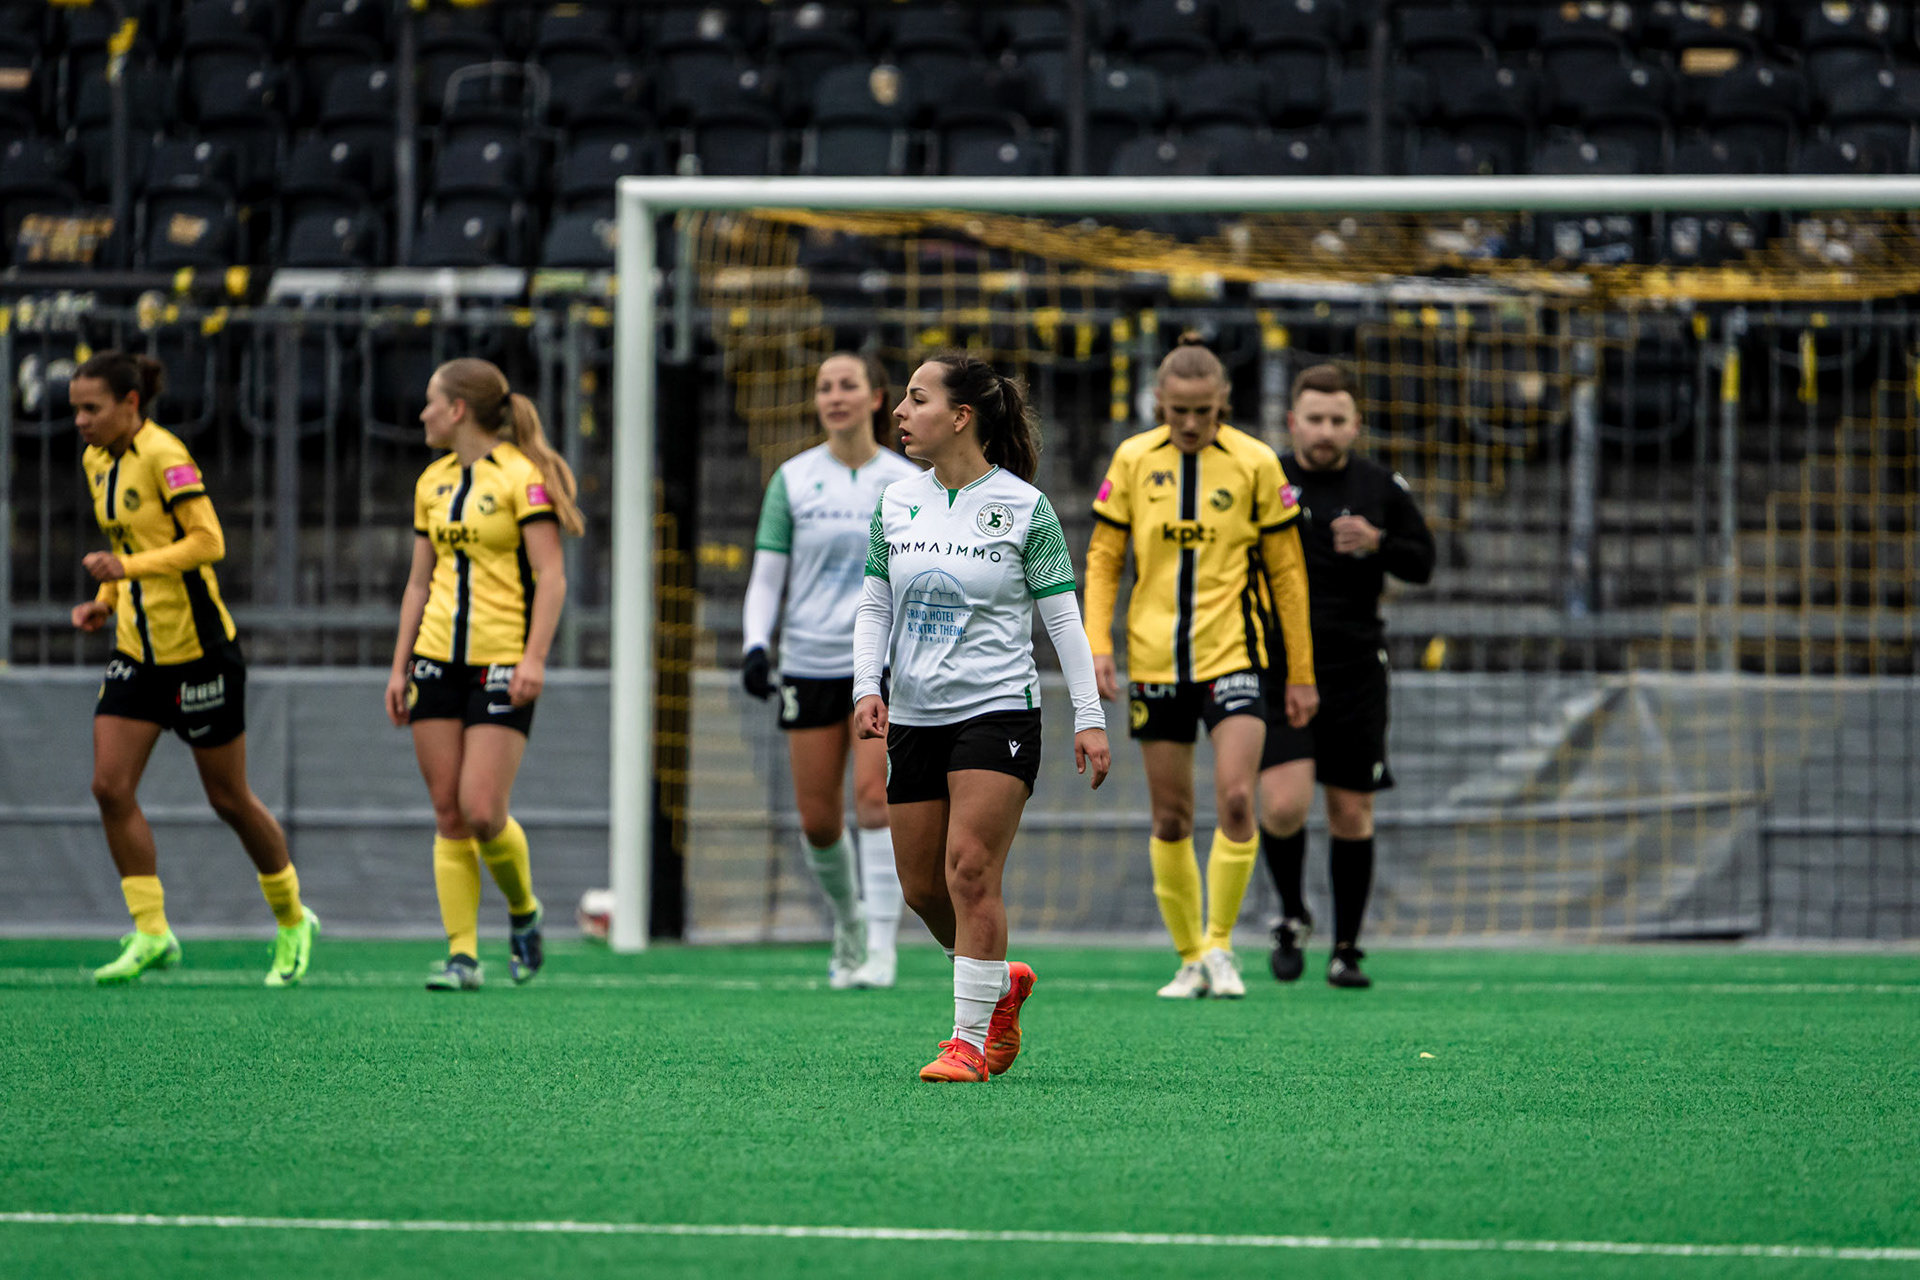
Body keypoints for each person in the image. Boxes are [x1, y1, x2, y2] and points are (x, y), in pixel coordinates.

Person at [853, 352, 1110, 1083]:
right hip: (915, 714)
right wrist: (864, 686)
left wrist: (1087, 718)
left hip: (998, 710)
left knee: (969, 871)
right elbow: (875, 604)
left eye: (915, 398)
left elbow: (1064, 624)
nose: (900, 413)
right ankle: (999, 983)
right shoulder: (895, 503)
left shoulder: (1027, 509)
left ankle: (967, 1040)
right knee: (922, 888)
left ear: (960, 416)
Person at [70, 351, 319, 987]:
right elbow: (125, 547)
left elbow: (209, 542)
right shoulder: (97, 460)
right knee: (108, 786)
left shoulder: (165, 456)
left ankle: (293, 921)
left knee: (229, 798)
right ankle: (152, 933)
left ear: (130, 403)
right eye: (75, 409)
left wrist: (127, 572)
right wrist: (104, 602)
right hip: (137, 652)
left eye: (91, 408)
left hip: (200, 654)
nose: (80, 421)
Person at [1084, 335, 1317, 1000]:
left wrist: (1300, 673)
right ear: (1159, 401)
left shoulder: (1255, 462)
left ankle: (1220, 944)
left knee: (1239, 797)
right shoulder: (1132, 458)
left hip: (1234, 654)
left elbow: (1288, 574)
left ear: (1225, 404)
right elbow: (1103, 559)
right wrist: (1098, 643)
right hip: (1156, 657)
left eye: (1203, 411)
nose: (1189, 424)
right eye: (1178, 410)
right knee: (1170, 818)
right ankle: (1189, 957)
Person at [384, 358, 583, 991]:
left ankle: (524, 911)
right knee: (447, 811)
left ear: (458, 410)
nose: (422, 414)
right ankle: (462, 956)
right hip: (435, 659)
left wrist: (534, 658)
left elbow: (551, 575)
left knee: (482, 809)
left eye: (430, 402)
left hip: (501, 660)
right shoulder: (431, 482)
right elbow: (418, 583)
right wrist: (399, 667)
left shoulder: (521, 477)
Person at [742, 353, 921, 989]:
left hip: (882, 666)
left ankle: (880, 948)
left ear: (876, 397)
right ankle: (847, 922)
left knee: (876, 800)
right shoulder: (792, 480)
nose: (834, 396)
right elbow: (768, 576)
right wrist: (755, 645)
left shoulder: (906, 483)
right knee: (818, 822)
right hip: (808, 663)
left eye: (847, 385)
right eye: (824, 387)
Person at [1258, 364, 1434, 989]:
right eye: (1315, 418)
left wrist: (1377, 541)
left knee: (1351, 812)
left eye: (1338, 420)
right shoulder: (1267, 477)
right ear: (1293, 421)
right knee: (1281, 806)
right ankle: (1290, 913)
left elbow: (1425, 561)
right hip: (1278, 666)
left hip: (1356, 666)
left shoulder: (1380, 486)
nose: (1325, 431)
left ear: (1355, 425)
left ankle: (1347, 947)